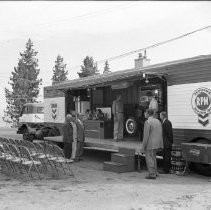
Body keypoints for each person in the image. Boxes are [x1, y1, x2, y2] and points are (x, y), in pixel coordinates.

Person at [141, 109, 163, 179]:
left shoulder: (147, 122)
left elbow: (146, 136)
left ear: (147, 113)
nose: (144, 114)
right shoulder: (158, 121)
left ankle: (152, 174)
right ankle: (155, 172)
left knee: (149, 159)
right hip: (157, 143)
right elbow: (160, 132)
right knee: (154, 158)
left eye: (145, 113)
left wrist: (143, 147)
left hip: (150, 144)